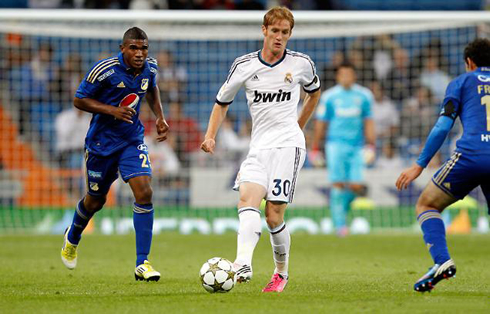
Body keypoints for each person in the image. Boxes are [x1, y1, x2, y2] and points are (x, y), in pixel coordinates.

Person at [200, 6, 321, 293]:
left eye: (285, 33)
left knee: (274, 215)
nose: (279, 37)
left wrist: (298, 126)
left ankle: (281, 273)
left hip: (288, 146)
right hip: (259, 147)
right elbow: (221, 102)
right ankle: (243, 263)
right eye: (275, 31)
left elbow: (314, 93)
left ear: (290, 35)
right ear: (264, 31)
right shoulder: (244, 65)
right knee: (247, 199)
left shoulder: (301, 63)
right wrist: (210, 136)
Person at [60, 27, 169, 282]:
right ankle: (73, 236)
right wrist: (112, 111)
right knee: (95, 201)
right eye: (134, 48)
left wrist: (160, 117)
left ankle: (142, 263)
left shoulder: (150, 68)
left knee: (144, 192)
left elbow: (151, 89)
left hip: (131, 140)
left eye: (144, 48)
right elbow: (79, 100)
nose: (140, 53)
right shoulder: (104, 70)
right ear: (123, 48)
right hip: (101, 145)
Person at [395, 38, 490, 292]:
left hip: (470, 156)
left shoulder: (460, 82)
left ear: (469, 62)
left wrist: (419, 164)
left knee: (426, 204)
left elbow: (443, 126)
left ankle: (442, 261)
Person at [312, 62, 375, 237]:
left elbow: (369, 121)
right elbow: (321, 123)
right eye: (342, 74)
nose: (346, 77)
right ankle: (340, 226)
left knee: (356, 186)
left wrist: (371, 145)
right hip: (335, 145)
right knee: (338, 184)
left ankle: (339, 215)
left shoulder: (364, 96)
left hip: (357, 147)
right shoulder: (329, 97)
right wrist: (315, 148)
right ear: (338, 77)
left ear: (354, 76)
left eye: (349, 74)